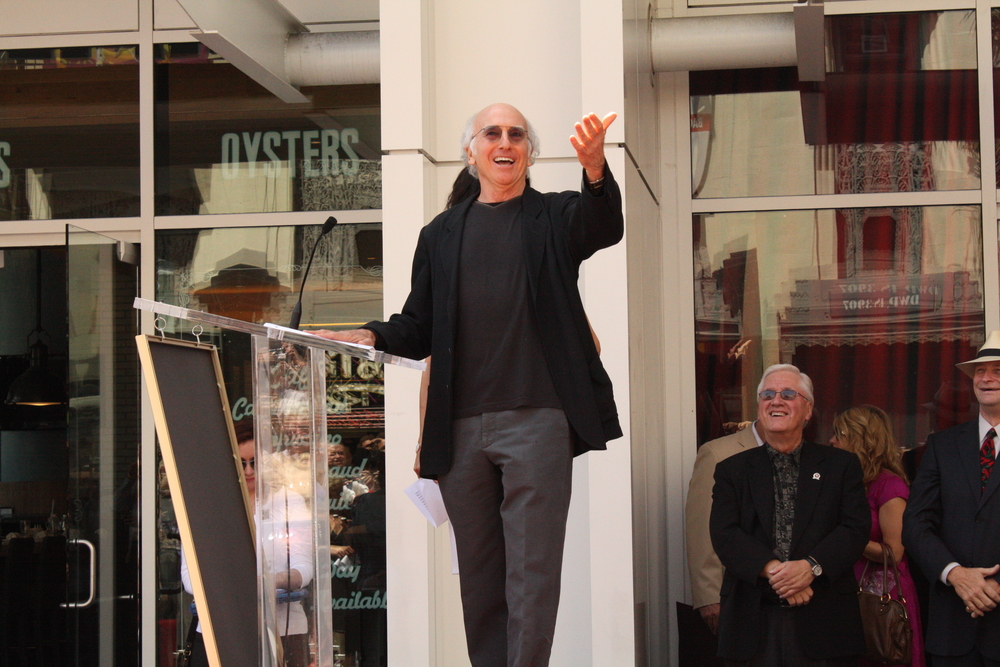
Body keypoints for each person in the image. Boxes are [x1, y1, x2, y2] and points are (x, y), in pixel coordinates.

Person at [318, 103, 623, 667]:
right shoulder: (441, 234)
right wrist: (369, 335)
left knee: (530, 576)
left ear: (528, 152)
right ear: (472, 150)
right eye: (492, 133)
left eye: (516, 134)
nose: (505, 142)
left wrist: (596, 170)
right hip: (459, 431)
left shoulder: (554, 217)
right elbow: (419, 326)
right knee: (480, 580)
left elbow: (604, 226)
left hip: (538, 419)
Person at [709, 364, 870, 666]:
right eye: (767, 394)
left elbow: (855, 528)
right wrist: (777, 573)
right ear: (759, 408)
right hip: (752, 621)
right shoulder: (732, 470)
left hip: (824, 620)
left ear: (808, 410)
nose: (776, 401)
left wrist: (811, 568)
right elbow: (724, 533)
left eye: (787, 394)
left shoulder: (841, 465)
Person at [180, 420, 314, 667]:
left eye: (255, 462)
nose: (250, 471)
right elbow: (190, 577)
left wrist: (279, 579)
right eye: (241, 464)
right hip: (221, 628)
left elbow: (304, 566)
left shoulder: (288, 501)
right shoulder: (206, 507)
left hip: (283, 627)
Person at [903, 332, 1000, 666]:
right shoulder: (942, 445)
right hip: (952, 628)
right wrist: (956, 575)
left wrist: (990, 587)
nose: (986, 378)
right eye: (980, 371)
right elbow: (915, 524)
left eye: (997, 370)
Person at [830, 405, 924, 667]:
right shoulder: (849, 481)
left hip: (882, 600)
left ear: (861, 439)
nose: (832, 440)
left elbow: (895, 553)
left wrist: (847, 538)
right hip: (846, 594)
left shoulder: (888, 485)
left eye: (840, 434)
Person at [686, 420, 767, 636]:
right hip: (735, 595)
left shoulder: (803, 453)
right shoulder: (717, 452)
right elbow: (701, 526)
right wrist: (709, 596)